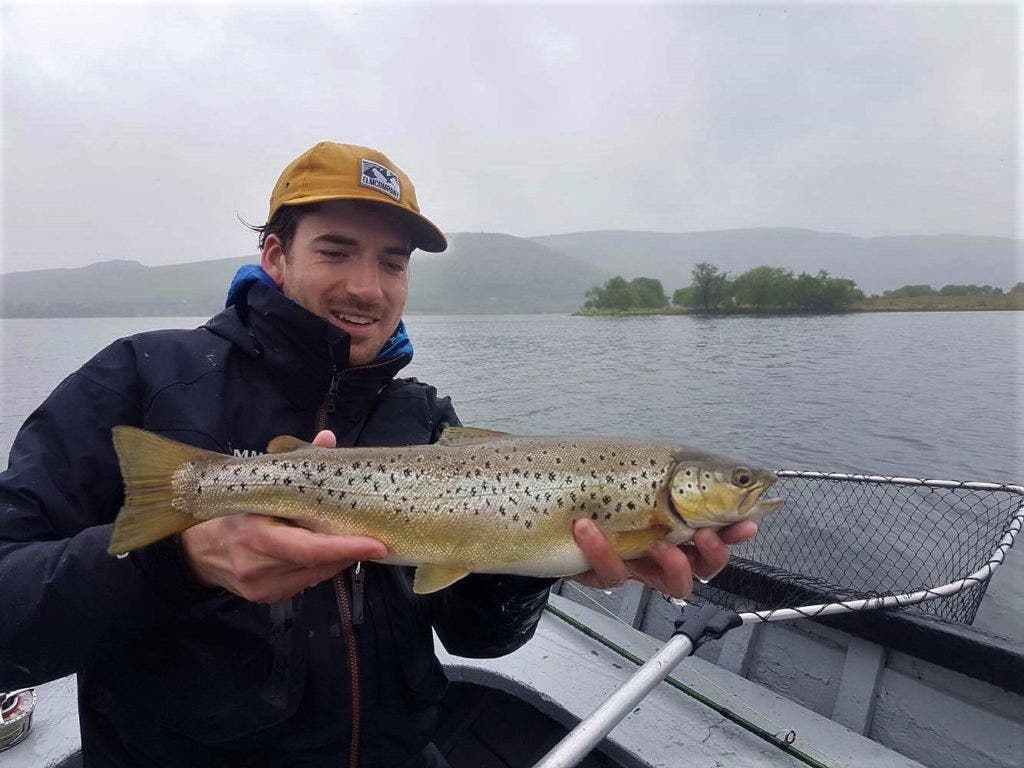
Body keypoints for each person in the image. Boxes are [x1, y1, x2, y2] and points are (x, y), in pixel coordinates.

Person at [0, 141, 756, 767]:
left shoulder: (424, 417)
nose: (367, 286)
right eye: (336, 250)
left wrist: (550, 568)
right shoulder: (143, 381)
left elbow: (476, 637)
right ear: (275, 255)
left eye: (392, 262)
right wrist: (179, 562)